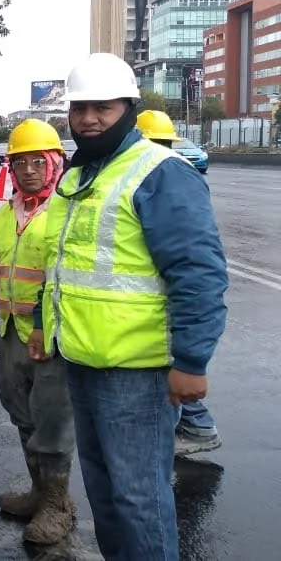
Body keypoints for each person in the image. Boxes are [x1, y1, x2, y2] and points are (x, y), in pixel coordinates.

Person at [29, 53, 228, 561]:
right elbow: (59, 266)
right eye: (80, 109)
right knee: (104, 495)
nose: (89, 118)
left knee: (140, 498)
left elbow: (198, 273)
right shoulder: (80, 175)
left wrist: (191, 361)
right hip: (81, 360)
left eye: (104, 108)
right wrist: (42, 326)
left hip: (137, 373)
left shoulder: (159, 172)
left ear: (131, 109)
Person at [0, 119, 75, 545]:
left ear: (55, 161)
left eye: (37, 161)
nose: (28, 170)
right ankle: (38, 492)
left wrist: (46, 325)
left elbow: (67, 279)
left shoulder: (67, 211)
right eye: (19, 162)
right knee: (21, 413)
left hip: (52, 338)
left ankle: (57, 506)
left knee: (53, 422)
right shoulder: (7, 215)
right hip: (12, 331)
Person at [136, 109, 223, 456]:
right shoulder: (173, 171)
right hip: (169, 300)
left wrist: (193, 359)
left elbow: (196, 265)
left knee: (172, 367)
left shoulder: (166, 176)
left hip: (166, 302)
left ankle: (200, 427)